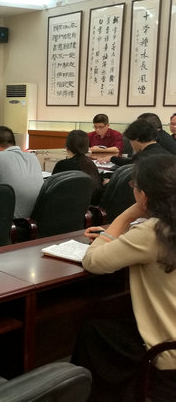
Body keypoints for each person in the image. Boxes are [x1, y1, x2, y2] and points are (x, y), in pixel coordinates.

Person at [71, 155, 176, 401]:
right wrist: (119, 235)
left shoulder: (152, 232)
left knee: (92, 331)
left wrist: (126, 216)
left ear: (145, 194)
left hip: (167, 353)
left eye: (134, 186)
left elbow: (93, 261)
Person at [52, 130, 102, 204]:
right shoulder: (90, 163)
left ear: (67, 146)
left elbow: (51, 189)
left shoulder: (62, 165)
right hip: (88, 205)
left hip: (67, 205)